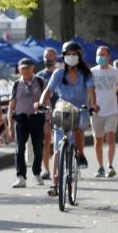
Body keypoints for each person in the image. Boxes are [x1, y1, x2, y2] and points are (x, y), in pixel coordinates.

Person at [38, 41, 96, 197]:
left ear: (79, 56)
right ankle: (55, 184)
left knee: (78, 126)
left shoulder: (86, 74)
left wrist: (93, 105)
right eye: (68, 54)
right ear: (63, 57)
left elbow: (91, 91)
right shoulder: (58, 73)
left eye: (74, 54)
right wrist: (41, 103)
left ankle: (81, 154)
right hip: (62, 108)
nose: (71, 57)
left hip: (80, 109)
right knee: (57, 149)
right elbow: (48, 91)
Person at [90, 45, 118, 178]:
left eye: (103, 54)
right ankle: (100, 167)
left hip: (112, 110)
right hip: (96, 111)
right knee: (98, 140)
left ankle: (110, 165)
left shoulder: (115, 72)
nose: (100, 57)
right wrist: (90, 105)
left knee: (110, 138)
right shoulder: (92, 72)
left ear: (108, 57)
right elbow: (88, 92)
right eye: (98, 54)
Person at [7, 57, 46, 187]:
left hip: (37, 118)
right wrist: (9, 126)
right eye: (23, 69)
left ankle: (37, 172)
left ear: (33, 68)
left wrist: (47, 121)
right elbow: (11, 105)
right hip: (21, 119)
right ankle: (21, 176)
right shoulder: (17, 84)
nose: (26, 71)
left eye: (28, 68)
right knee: (19, 149)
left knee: (38, 148)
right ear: (19, 70)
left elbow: (46, 102)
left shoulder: (40, 82)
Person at [36, 48, 59, 182]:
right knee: (46, 140)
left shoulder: (61, 73)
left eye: (50, 56)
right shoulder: (40, 76)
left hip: (61, 110)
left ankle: (65, 167)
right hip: (46, 112)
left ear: (55, 58)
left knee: (60, 140)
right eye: (45, 56)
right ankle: (46, 169)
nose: (48, 59)